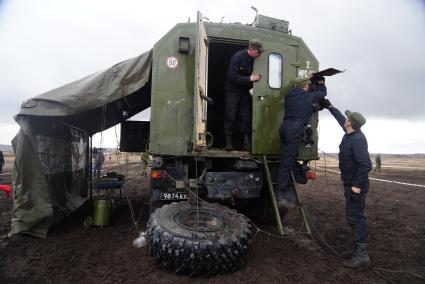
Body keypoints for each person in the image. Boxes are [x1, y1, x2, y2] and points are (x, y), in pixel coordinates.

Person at [322, 99, 372, 269]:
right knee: (352, 216)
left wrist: (356, 185)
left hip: (355, 186)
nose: (345, 119)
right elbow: (339, 118)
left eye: (347, 118)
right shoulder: (350, 132)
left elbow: (366, 164)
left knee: (356, 217)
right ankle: (358, 252)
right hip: (350, 183)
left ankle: (362, 256)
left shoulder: (357, 139)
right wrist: (329, 107)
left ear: (350, 123)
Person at [276, 75, 327, 208]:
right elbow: (322, 93)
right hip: (294, 131)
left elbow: (304, 102)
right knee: (287, 162)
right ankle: (280, 195)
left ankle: (289, 184)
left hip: (284, 129)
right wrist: (320, 83)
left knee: (289, 157)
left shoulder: (289, 95)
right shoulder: (308, 97)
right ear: (305, 87)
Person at [223, 39, 263, 151]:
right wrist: (250, 78)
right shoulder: (238, 57)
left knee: (245, 116)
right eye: (258, 52)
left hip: (245, 91)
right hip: (233, 90)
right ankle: (228, 141)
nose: (259, 54)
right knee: (230, 115)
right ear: (252, 50)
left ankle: (245, 142)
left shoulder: (255, 60)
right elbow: (231, 76)